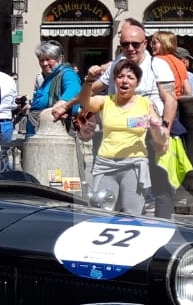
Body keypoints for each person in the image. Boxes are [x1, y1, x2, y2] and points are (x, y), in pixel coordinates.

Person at [76, 58, 166, 215]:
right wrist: (89, 80)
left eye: (130, 77)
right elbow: (85, 102)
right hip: (105, 165)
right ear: (114, 80)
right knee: (101, 213)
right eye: (120, 76)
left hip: (133, 165)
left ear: (137, 83)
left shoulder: (146, 103)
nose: (125, 81)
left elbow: (160, 139)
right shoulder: (105, 101)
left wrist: (155, 126)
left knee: (131, 214)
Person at [28, 40, 81, 136]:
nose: (44, 63)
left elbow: (74, 89)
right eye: (41, 60)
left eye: (48, 59)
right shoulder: (49, 78)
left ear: (59, 59)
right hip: (41, 131)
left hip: (54, 132)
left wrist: (61, 105)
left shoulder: (67, 73)